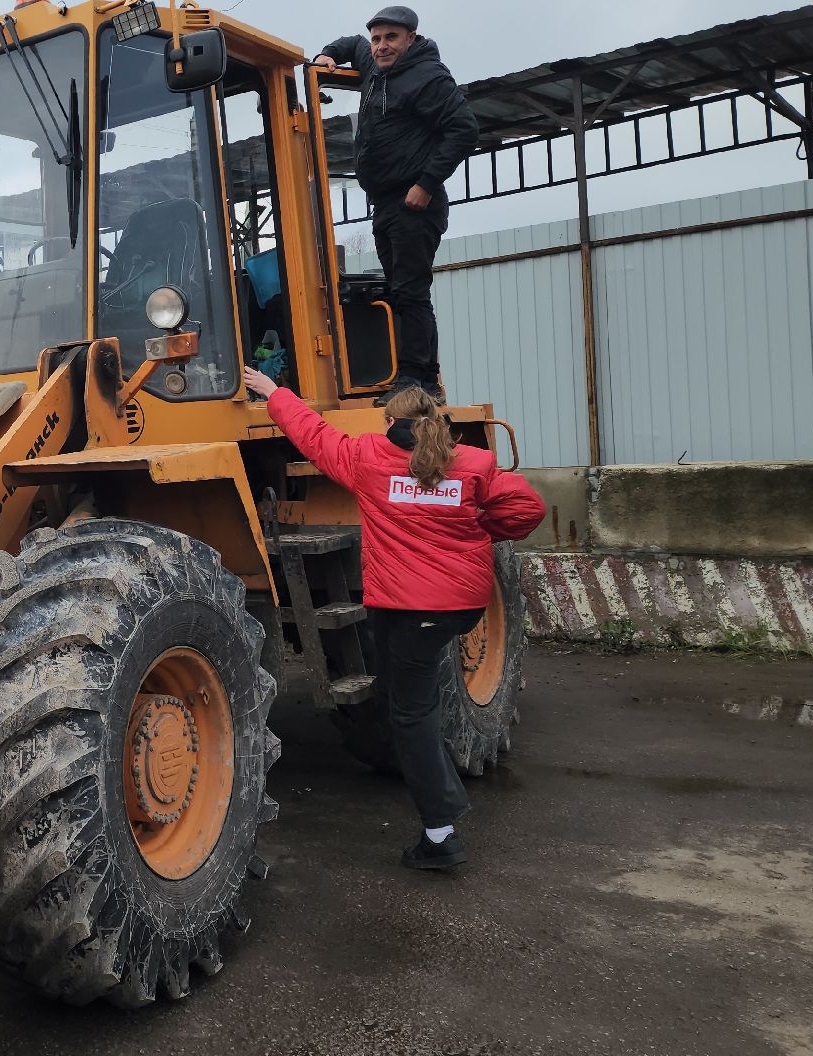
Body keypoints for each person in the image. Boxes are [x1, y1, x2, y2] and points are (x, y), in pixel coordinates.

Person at [243, 366, 545, 869]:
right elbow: (527, 511)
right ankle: (445, 812)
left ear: (388, 421)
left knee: (411, 719)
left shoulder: (369, 460)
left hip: (409, 610)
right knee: (411, 704)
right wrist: (478, 527)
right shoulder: (472, 464)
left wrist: (275, 393)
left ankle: (441, 835)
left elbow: (315, 437)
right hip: (459, 606)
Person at [314, 6, 479, 404]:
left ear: (410, 39)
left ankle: (413, 381)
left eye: (391, 38)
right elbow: (350, 43)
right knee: (400, 290)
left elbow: (464, 129)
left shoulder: (428, 78)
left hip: (414, 202)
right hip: (386, 202)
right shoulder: (374, 65)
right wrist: (328, 55)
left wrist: (425, 184)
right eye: (377, 38)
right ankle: (425, 380)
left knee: (410, 292)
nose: (381, 46)